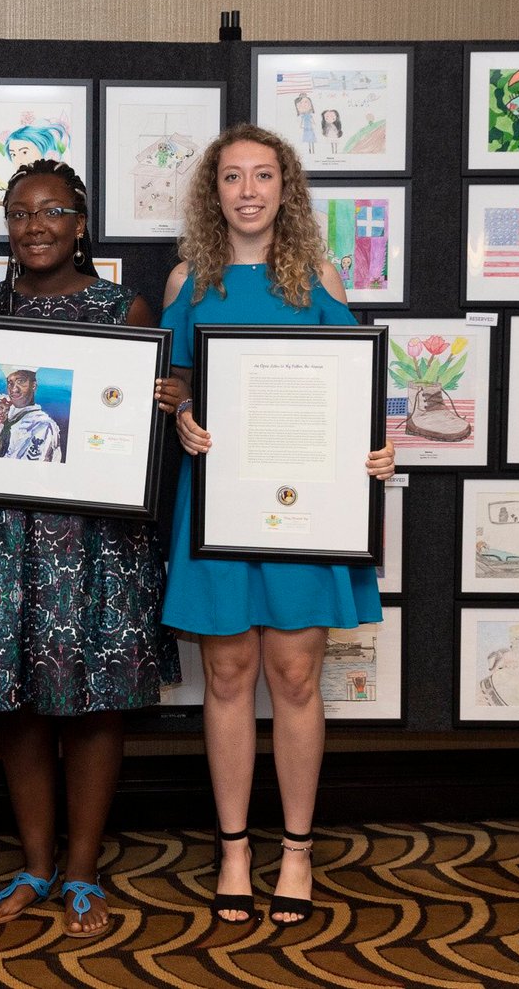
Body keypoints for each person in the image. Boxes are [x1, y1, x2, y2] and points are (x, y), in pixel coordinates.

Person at [0, 159, 179, 939]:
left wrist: (170, 398)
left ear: (80, 224)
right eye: (20, 213)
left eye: (53, 211)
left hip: (98, 544)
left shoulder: (122, 307)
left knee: (95, 707)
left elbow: (134, 427)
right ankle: (36, 865)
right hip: (2, 540)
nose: (35, 226)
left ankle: (84, 871)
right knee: (16, 706)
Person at [154, 125, 396, 930]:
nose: (248, 191)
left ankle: (296, 850)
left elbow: (352, 384)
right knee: (227, 676)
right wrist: (184, 417)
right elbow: (176, 384)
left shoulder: (318, 275)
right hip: (219, 498)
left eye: (263, 176)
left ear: (285, 189)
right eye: (232, 177)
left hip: (304, 506)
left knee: (294, 676)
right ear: (213, 192)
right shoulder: (189, 279)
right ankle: (233, 850)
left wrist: (378, 448)